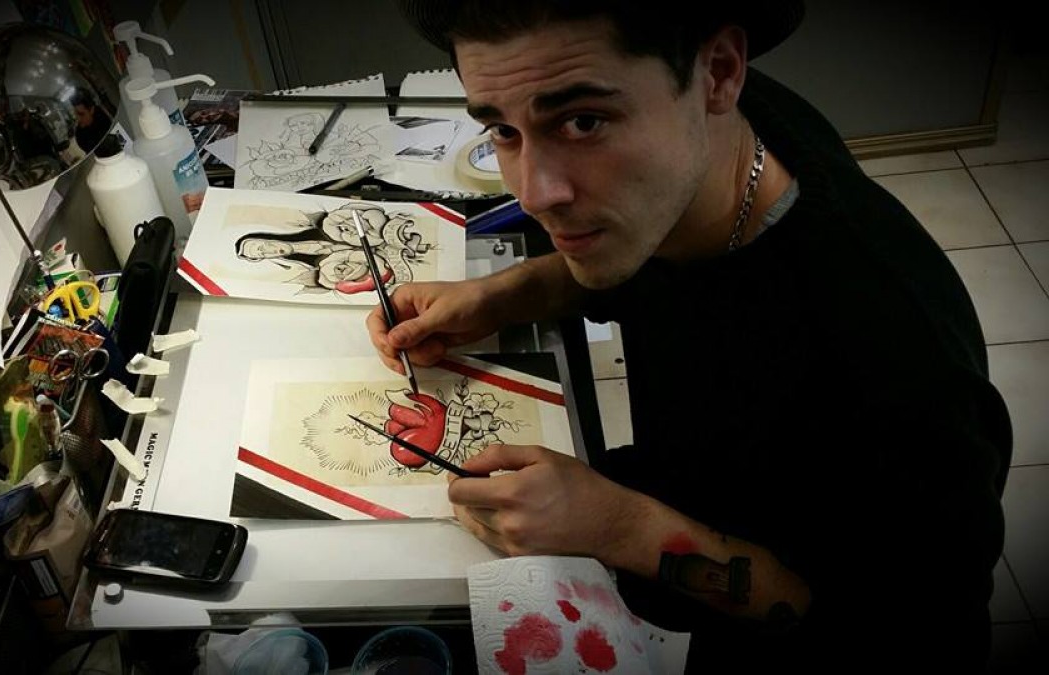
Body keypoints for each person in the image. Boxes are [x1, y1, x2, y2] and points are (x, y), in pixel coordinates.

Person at [369, 1, 1012, 671]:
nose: (533, 192)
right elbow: (645, 257)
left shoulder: (896, 366)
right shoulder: (710, 129)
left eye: (584, 122)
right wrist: (504, 295)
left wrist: (623, 527)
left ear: (720, 73)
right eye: (504, 130)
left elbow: (912, 641)